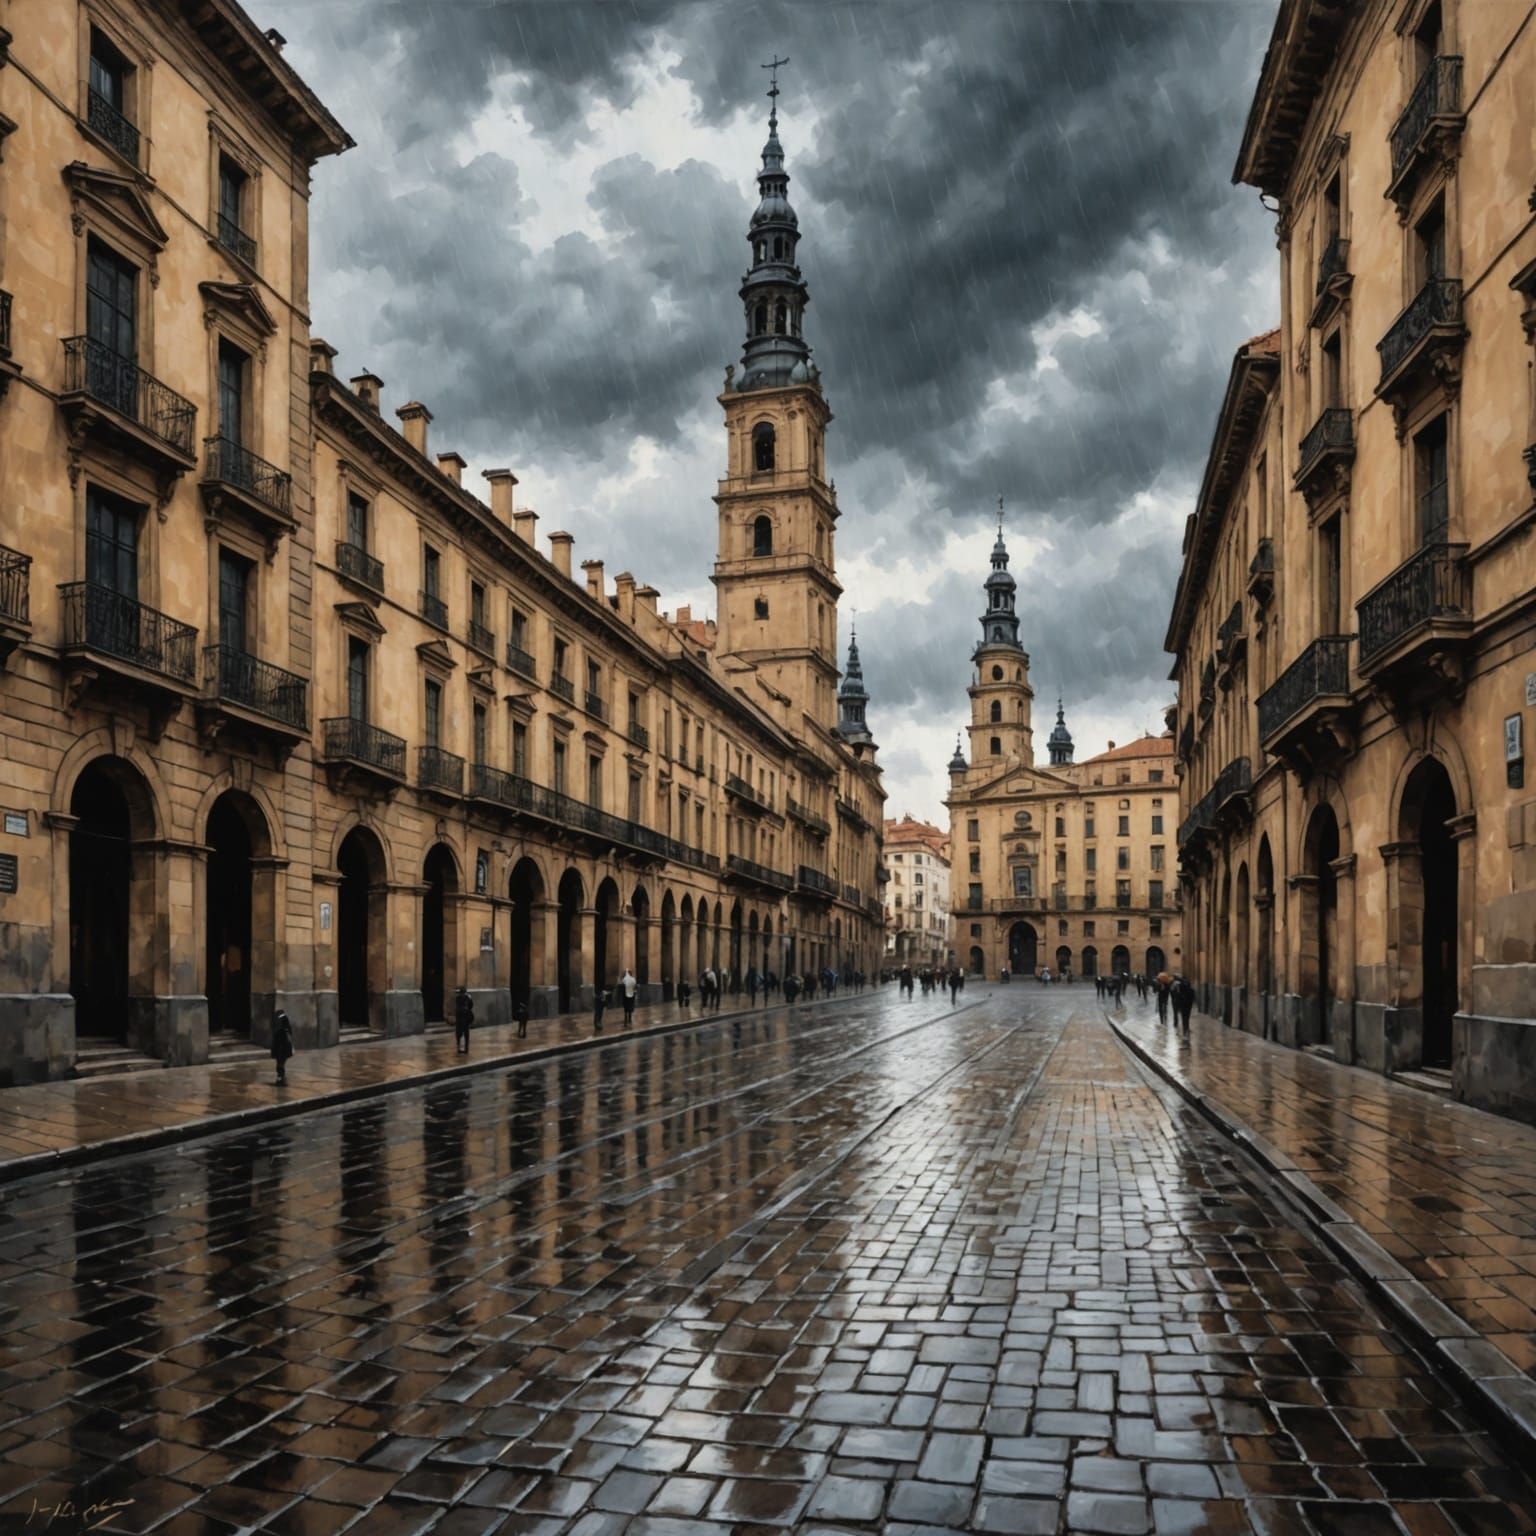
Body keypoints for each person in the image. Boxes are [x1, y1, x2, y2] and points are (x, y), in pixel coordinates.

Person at [270, 1009, 294, 1086]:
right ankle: (280, 1078)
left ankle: (280, 1078)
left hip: (281, 1049)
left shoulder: (281, 1030)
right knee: (281, 1064)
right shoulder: (285, 1029)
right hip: (282, 1049)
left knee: (280, 1064)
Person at [454, 986, 474, 1053]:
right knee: (466, 1033)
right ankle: (466, 1048)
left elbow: (456, 1005)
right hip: (465, 1016)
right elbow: (471, 1006)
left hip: (459, 1016)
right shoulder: (467, 997)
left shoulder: (457, 998)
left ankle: (458, 1048)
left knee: (458, 1033)